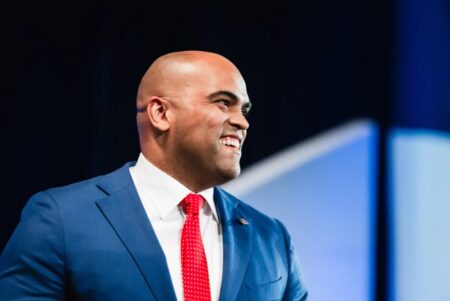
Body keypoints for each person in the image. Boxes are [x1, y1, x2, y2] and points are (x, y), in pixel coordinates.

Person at [0, 51, 308, 300]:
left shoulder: (271, 237)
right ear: (160, 114)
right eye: (223, 102)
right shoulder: (61, 219)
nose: (242, 122)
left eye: (245, 109)